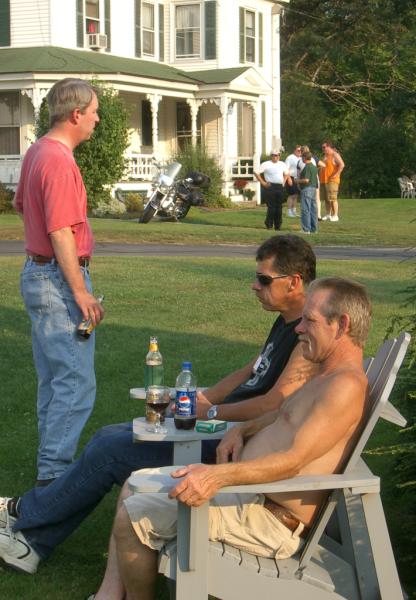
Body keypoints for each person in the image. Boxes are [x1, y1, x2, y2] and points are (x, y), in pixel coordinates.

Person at [0, 235, 318, 576]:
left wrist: (209, 412)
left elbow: (273, 402)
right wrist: (203, 398)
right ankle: (29, 525)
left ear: (294, 282)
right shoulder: (288, 320)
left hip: (229, 444)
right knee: (108, 435)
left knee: (111, 452)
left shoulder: (306, 337)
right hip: (216, 427)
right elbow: (251, 370)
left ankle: (28, 530)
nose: (255, 286)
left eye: (264, 280)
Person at [107, 277, 371, 600]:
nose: (299, 329)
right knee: (133, 485)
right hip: (249, 498)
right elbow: (281, 414)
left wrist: (216, 476)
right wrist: (241, 430)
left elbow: (293, 461)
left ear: (342, 324)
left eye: (309, 320)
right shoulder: (326, 376)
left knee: (133, 516)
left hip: (267, 518)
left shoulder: (344, 387)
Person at [13, 78, 105, 486]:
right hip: (56, 276)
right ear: (76, 114)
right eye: (94, 112)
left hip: (38, 271)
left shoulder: (37, 151)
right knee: (74, 381)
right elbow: (60, 230)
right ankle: (53, 477)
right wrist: (79, 290)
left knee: (53, 380)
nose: (97, 120)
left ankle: (49, 468)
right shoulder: (58, 160)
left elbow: (20, 205)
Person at [255, 151, 290, 230]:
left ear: (279, 156)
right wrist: (263, 183)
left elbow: (287, 173)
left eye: (277, 155)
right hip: (270, 186)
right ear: (271, 156)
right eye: (274, 155)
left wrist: (284, 182)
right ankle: (269, 224)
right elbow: (256, 173)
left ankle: (278, 225)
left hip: (279, 186)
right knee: (271, 207)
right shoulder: (266, 164)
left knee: (279, 207)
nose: (275, 157)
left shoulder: (282, 164)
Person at [319, 141, 345, 222]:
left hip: (332, 180)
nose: (323, 149)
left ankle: (335, 215)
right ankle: (328, 214)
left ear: (329, 147)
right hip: (324, 180)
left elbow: (342, 164)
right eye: (322, 147)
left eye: (324, 147)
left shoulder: (334, 154)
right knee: (327, 199)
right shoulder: (325, 156)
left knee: (333, 198)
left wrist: (336, 174)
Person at [298, 151, 319, 234]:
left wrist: (297, 181)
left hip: (307, 189)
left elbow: (306, 180)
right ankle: (314, 229)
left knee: (305, 209)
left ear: (304, 158)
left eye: (302, 158)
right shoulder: (314, 167)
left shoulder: (307, 167)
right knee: (313, 209)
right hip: (314, 188)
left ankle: (306, 229)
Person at [284, 145, 302, 217]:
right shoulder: (290, 157)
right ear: (294, 150)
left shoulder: (301, 158)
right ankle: (289, 211)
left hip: (298, 179)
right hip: (291, 177)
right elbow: (286, 169)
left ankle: (294, 211)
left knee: (296, 195)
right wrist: (288, 179)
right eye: (298, 150)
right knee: (291, 195)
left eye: (301, 150)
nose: (300, 152)